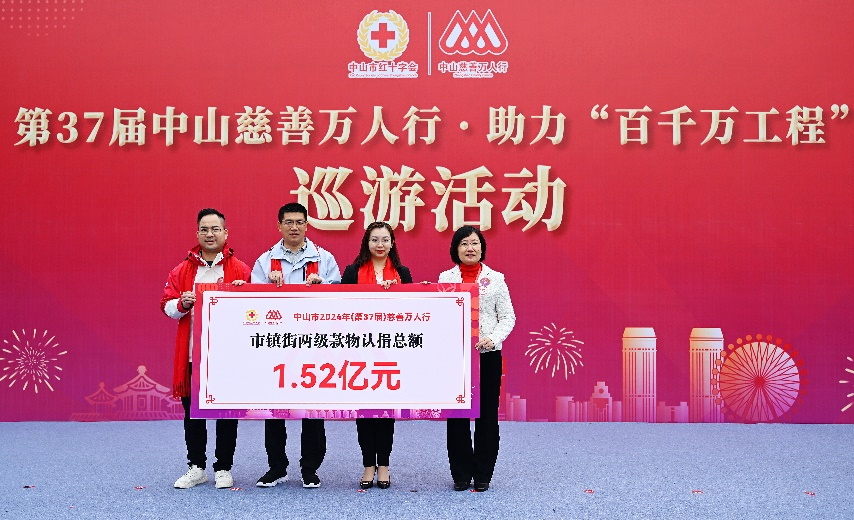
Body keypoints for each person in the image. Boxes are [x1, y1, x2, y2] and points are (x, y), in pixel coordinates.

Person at [251, 202, 342, 489]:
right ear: (279, 226)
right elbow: (250, 304)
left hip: (314, 343)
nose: (294, 227)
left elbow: (340, 300)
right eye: (288, 222)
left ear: (306, 225)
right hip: (276, 345)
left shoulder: (324, 258)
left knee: (312, 409)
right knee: (273, 409)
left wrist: (322, 285)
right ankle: (276, 467)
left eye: (299, 222)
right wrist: (267, 285)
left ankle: (310, 468)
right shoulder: (265, 261)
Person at [160, 208, 251, 489]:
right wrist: (182, 304)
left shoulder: (241, 270)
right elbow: (166, 306)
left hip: (228, 357)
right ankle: (196, 466)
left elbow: (255, 312)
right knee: (192, 415)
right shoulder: (182, 270)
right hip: (193, 354)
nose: (210, 234)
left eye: (215, 229)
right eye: (204, 229)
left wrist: (244, 293)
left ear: (225, 233)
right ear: (197, 233)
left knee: (227, 415)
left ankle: (223, 467)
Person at [438, 225, 516, 492]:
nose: (469, 248)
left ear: (482, 247)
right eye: (464, 244)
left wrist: (493, 339)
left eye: (474, 243)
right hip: (456, 357)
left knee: (487, 416)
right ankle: (460, 474)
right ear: (455, 249)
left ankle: (483, 474)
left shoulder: (496, 279)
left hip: (487, 355)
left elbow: (508, 317)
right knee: (456, 415)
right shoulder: (445, 278)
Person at [340, 222, 413, 490]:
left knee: (385, 411)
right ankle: (367, 464)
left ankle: (384, 465)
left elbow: (413, 310)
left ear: (392, 243)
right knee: (364, 412)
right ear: (366, 243)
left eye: (385, 239)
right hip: (359, 349)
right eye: (374, 240)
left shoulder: (403, 273)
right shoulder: (352, 272)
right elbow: (341, 310)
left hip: (391, 350)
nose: (380, 245)